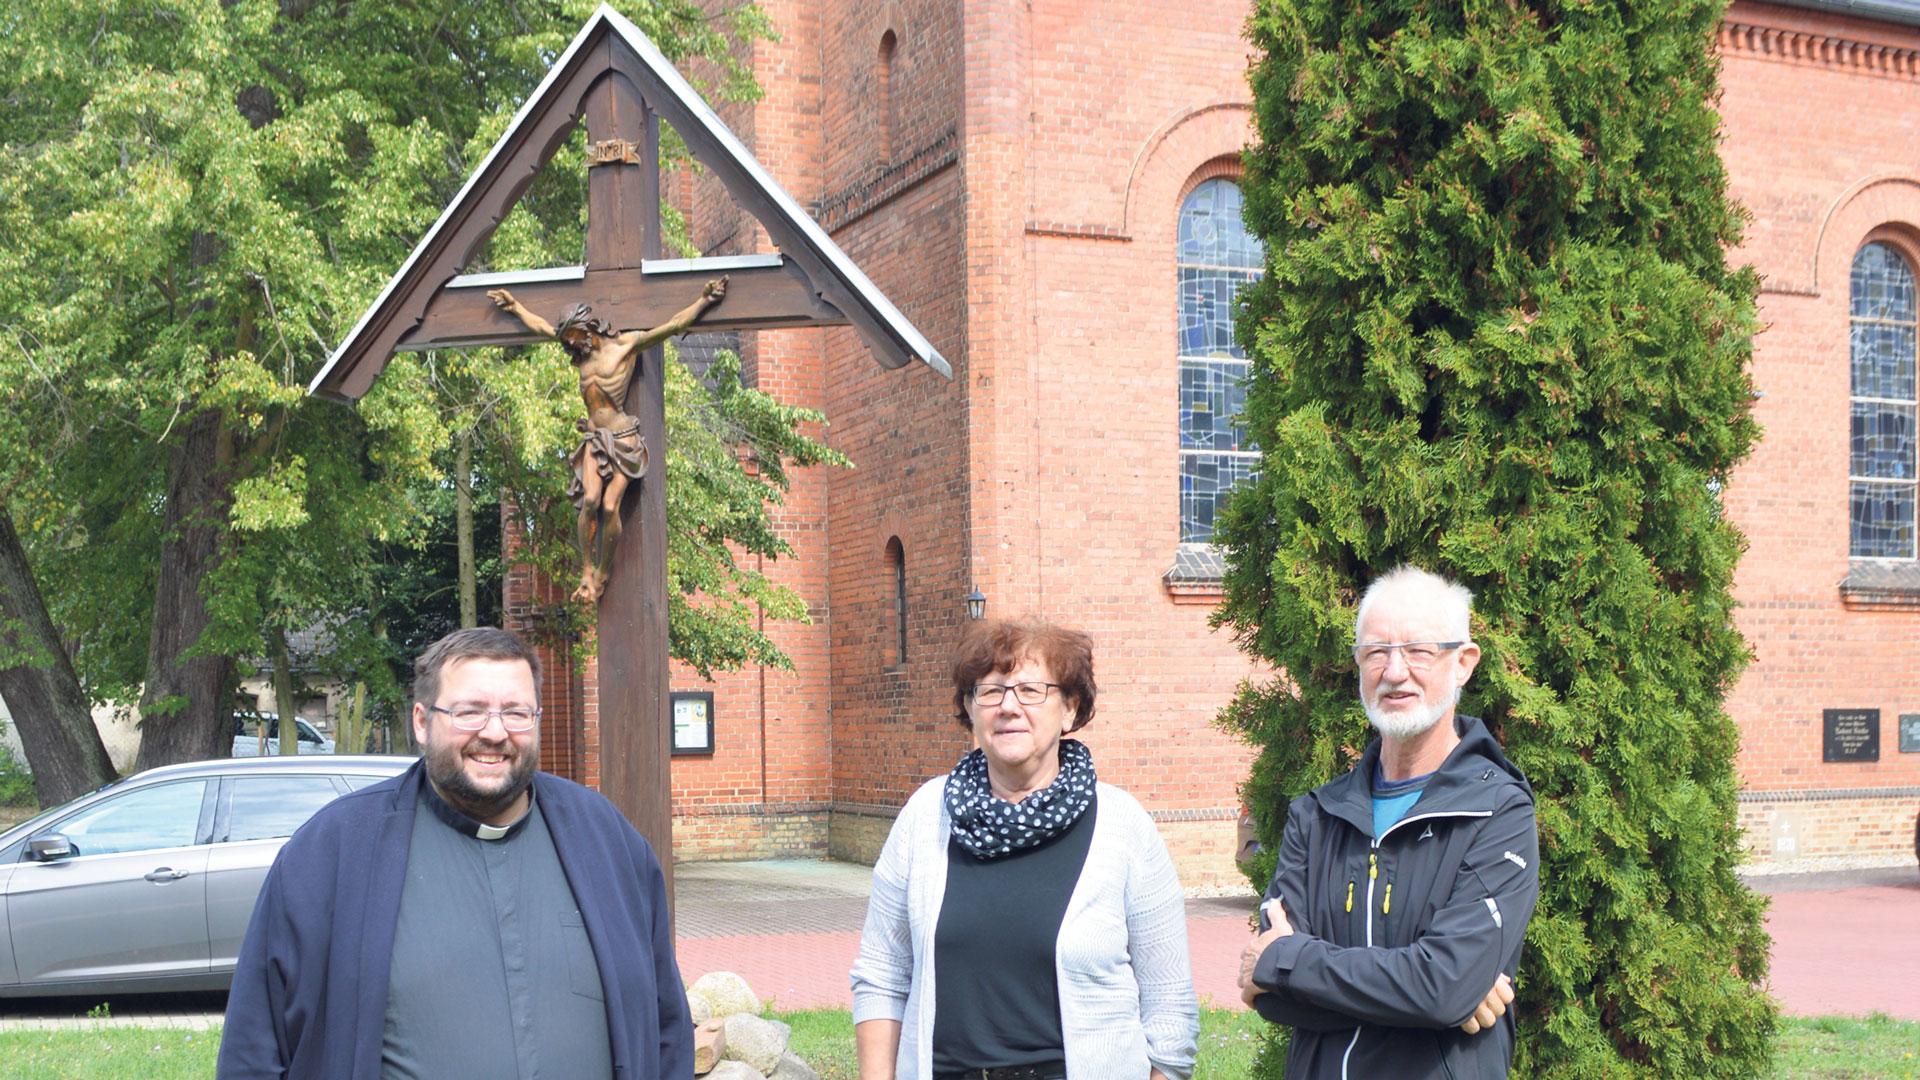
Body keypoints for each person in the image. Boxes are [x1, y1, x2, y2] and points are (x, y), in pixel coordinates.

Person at [217, 627, 690, 1080]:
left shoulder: (606, 842)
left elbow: (665, 1025)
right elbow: (254, 1048)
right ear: (422, 722)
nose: (495, 732)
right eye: (470, 712)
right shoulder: (333, 853)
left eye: (516, 712)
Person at [851, 618, 1198, 1080]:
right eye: (990, 691)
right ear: (970, 710)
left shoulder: (1122, 826)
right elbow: (882, 975)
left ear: (1070, 709)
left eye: (1031, 691)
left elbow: (1169, 1003)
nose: (1008, 707)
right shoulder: (925, 816)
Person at [1236, 565, 1540, 1078]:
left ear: (1463, 663)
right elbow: (1271, 998)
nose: (1394, 672)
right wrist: (1438, 991)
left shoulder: (1498, 812)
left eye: (1419, 651)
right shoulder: (1316, 814)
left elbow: (1441, 989)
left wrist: (1291, 963)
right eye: (1376, 652)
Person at [488, 278, 726, 604]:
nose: (572, 346)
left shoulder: (625, 347)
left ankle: (603, 570)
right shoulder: (581, 357)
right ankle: (586, 569)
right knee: (589, 501)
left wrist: (704, 300)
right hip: (594, 439)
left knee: (611, 505)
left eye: (574, 338)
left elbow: (672, 325)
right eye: (568, 341)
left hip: (624, 437)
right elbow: (542, 327)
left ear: (589, 329)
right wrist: (515, 308)